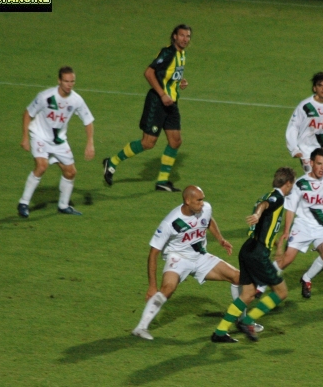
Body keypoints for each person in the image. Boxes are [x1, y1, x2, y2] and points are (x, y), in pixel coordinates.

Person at [132, 185, 249, 340]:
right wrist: (152, 285)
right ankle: (140, 328)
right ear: (187, 201)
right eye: (198, 200)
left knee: (238, 277)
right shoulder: (171, 222)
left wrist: (220, 239)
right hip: (178, 258)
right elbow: (153, 253)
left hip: (200, 257)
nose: (202, 203)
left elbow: (208, 221)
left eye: (203, 199)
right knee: (167, 288)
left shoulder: (205, 208)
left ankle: (242, 321)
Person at [103, 24, 191, 192]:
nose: (185, 39)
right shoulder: (168, 53)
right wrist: (162, 94)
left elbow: (167, 74)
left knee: (175, 141)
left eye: (188, 36)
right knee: (148, 143)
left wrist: (180, 81)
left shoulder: (181, 54)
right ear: (174, 36)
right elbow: (149, 73)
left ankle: (162, 181)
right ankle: (112, 161)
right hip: (157, 102)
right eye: (182, 35)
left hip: (172, 104)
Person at [211, 167, 296, 343]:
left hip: (247, 249)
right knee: (281, 292)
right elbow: (264, 206)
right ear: (288, 183)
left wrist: (277, 244)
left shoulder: (266, 194)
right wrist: (257, 214)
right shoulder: (277, 198)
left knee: (248, 292)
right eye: (292, 184)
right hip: (258, 253)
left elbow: (265, 224)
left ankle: (220, 332)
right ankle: (248, 321)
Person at [263, 147, 323, 299]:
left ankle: (306, 278)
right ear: (311, 163)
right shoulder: (300, 183)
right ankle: (260, 286)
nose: (322, 168)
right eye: (319, 164)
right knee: (286, 260)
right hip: (303, 225)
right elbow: (290, 209)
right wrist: (286, 231)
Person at [17, 66, 95, 217]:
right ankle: (23, 203)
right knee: (41, 166)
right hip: (39, 136)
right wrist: (25, 137)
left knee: (71, 172)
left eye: (72, 81)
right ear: (59, 81)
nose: (69, 84)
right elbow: (27, 113)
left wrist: (90, 142)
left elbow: (88, 120)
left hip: (58, 141)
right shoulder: (45, 96)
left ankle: (63, 205)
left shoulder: (76, 100)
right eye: (66, 81)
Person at [286, 72, 323, 174]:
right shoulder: (305, 106)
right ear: (314, 88)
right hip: (307, 151)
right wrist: (294, 149)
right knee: (315, 182)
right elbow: (293, 127)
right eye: (320, 86)